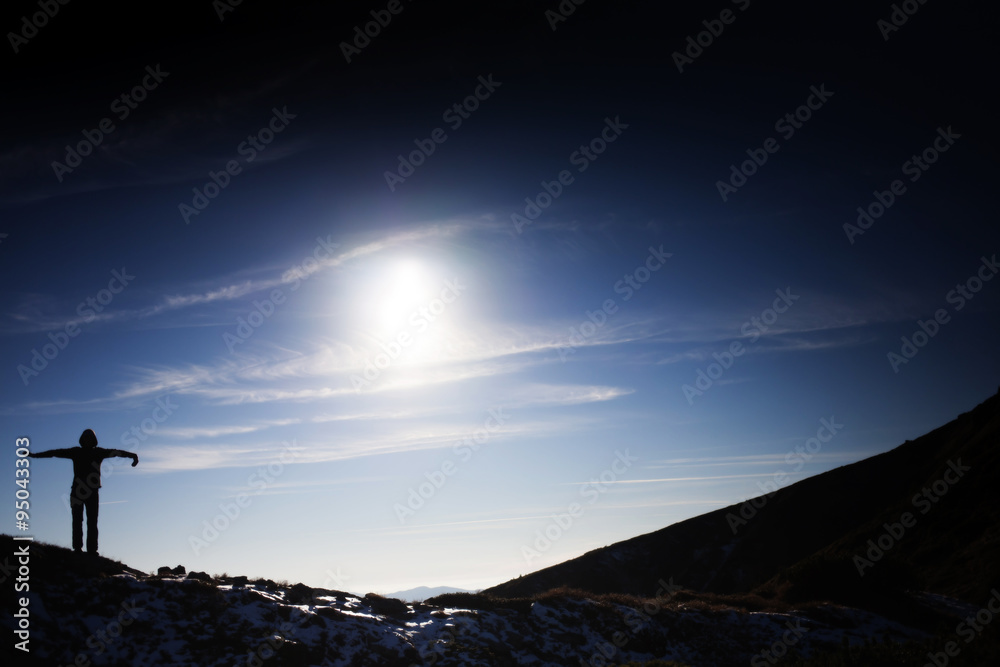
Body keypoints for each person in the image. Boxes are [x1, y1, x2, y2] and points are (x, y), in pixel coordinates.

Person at [29, 429, 138, 555]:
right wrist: (34, 455)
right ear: (82, 440)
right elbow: (54, 453)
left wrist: (133, 456)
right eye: (86, 438)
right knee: (77, 520)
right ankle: (77, 548)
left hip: (92, 492)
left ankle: (92, 550)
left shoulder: (98, 452)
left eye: (90, 439)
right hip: (77, 491)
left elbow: (118, 453)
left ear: (93, 441)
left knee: (92, 521)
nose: (87, 441)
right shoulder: (76, 452)